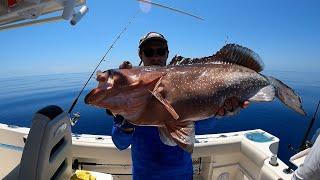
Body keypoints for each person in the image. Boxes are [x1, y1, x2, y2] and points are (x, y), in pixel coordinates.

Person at [109, 32, 249, 180]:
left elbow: (201, 126)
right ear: (140, 55)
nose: (155, 57)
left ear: (167, 54)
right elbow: (120, 143)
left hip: (182, 175)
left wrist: (220, 111)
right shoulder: (131, 88)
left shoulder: (182, 85)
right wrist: (126, 119)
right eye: (149, 52)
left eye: (161, 51)